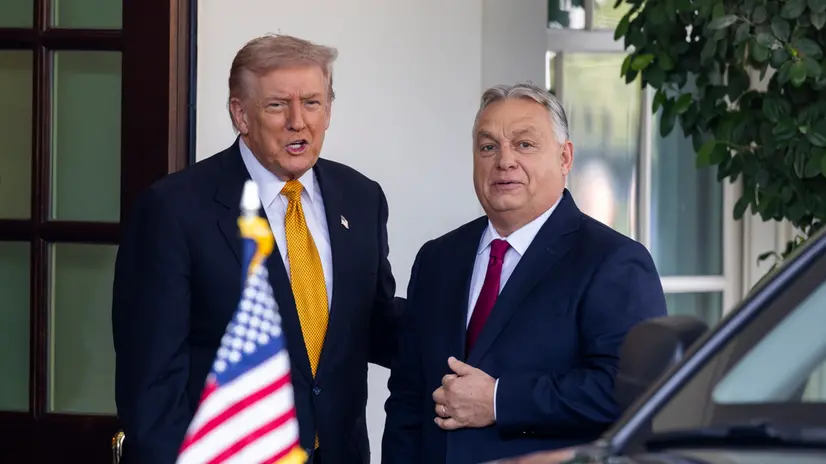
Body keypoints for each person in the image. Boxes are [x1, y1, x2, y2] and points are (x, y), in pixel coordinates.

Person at [112, 34, 400, 464]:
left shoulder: (361, 197)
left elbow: (371, 324)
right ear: (240, 114)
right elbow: (150, 384)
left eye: (313, 102)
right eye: (277, 105)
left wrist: (468, 326)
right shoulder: (173, 210)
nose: (298, 121)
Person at [381, 82, 667, 464]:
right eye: (488, 147)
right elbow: (407, 397)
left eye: (524, 144)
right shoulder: (438, 259)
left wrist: (499, 401)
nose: (504, 161)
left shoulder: (613, 261)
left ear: (565, 158)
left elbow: (629, 390)